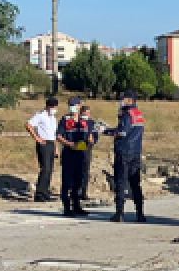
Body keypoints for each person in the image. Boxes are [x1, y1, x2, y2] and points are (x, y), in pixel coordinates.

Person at [103, 90, 146, 222]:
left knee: (120, 182)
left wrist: (106, 131)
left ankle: (119, 213)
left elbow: (122, 132)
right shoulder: (138, 114)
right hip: (136, 152)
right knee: (135, 183)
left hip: (124, 151)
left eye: (122, 98)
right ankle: (140, 213)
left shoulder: (127, 114)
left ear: (129, 100)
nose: (120, 101)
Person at [56, 97, 93, 217]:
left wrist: (90, 141)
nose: (72, 107)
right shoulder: (65, 119)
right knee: (67, 182)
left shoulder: (85, 120)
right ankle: (67, 208)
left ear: (79, 106)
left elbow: (90, 135)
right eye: (70, 105)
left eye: (74, 105)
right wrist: (69, 144)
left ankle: (77, 206)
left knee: (79, 181)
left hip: (81, 153)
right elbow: (58, 136)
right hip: (69, 153)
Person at [25, 98, 59, 202]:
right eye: (53, 107)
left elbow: (54, 134)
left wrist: (56, 148)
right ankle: (39, 193)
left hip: (51, 143)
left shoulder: (53, 118)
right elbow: (28, 125)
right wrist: (37, 138)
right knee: (45, 168)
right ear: (48, 107)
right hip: (43, 143)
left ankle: (45, 192)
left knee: (50, 169)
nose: (55, 109)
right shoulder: (40, 115)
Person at [78, 105, 99, 200]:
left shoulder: (92, 122)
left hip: (87, 147)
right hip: (78, 146)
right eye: (85, 113)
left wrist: (93, 140)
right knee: (77, 170)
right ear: (81, 113)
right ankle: (75, 191)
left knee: (85, 170)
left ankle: (83, 192)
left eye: (88, 113)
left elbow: (96, 134)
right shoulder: (77, 121)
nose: (87, 115)